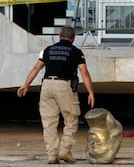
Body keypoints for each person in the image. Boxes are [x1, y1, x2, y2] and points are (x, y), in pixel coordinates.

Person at [17, 26, 95, 164]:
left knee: (49, 123)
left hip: (46, 85)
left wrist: (26, 84)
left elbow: (36, 68)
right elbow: (84, 73)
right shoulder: (76, 52)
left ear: (59, 36)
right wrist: (90, 92)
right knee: (71, 118)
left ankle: (52, 155)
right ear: (73, 39)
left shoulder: (48, 50)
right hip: (64, 86)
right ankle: (65, 150)